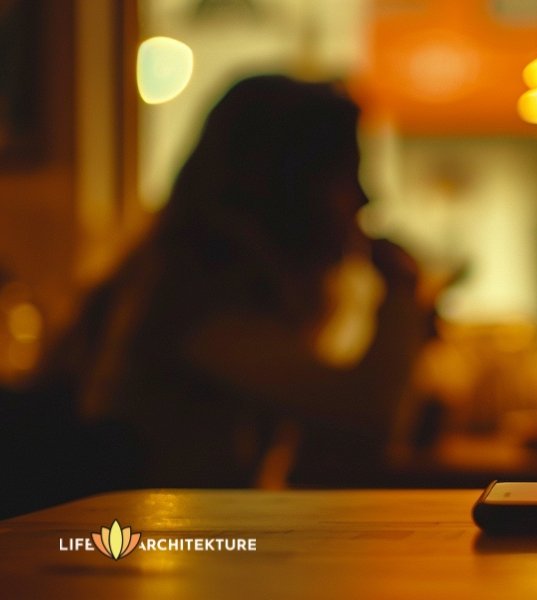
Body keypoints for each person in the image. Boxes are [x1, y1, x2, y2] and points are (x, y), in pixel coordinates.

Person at [25, 75, 431, 494]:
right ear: (284, 188)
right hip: (160, 550)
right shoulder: (194, 301)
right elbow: (366, 414)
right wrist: (401, 290)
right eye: (345, 174)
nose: (366, 198)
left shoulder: (194, 282)